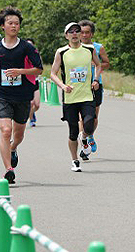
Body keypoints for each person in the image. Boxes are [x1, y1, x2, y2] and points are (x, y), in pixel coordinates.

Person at [0, 6, 43, 184]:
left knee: (18, 135)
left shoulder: (26, 48)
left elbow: (39, 69)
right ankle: (9, 170)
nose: (14, 26)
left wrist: (20, 71)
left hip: (23, 95)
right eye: (10, 23)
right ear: (3, 25)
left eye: (16, 23)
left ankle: (13, 148)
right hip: (2, 94)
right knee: (5, 130)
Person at [50, 22, 102, 172]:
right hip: (70, 98)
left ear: (80, 34)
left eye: (77, 31)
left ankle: (84, 138)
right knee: (73, 132)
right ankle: (75, 160)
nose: (74, 34)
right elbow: (53, 73)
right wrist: (63, 86)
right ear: (66, 35)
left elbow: (98, 65)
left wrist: (96, 79)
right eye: (71, 32)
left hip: (87, 95)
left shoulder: (90, 49)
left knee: (89, 125)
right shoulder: (61, 52)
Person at [78, 20, 110, 152]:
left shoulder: (98, 47)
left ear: (92, 34)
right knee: (82, 117)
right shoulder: (74, 48)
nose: (84, 35)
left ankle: (90, 136)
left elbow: (107, 63)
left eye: (87, 32)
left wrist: (96, 65)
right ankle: (83, 143)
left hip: (96, 85)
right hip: (80, 85)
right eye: (82, 32)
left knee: (94, 117)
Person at [26, 38, 41, 127]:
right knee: (31, 103)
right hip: (27, 83)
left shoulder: (36, 56)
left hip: (35, 82)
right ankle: (31, 119)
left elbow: (40, 69)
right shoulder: (22, 56)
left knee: (37, 105)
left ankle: (30, 113)